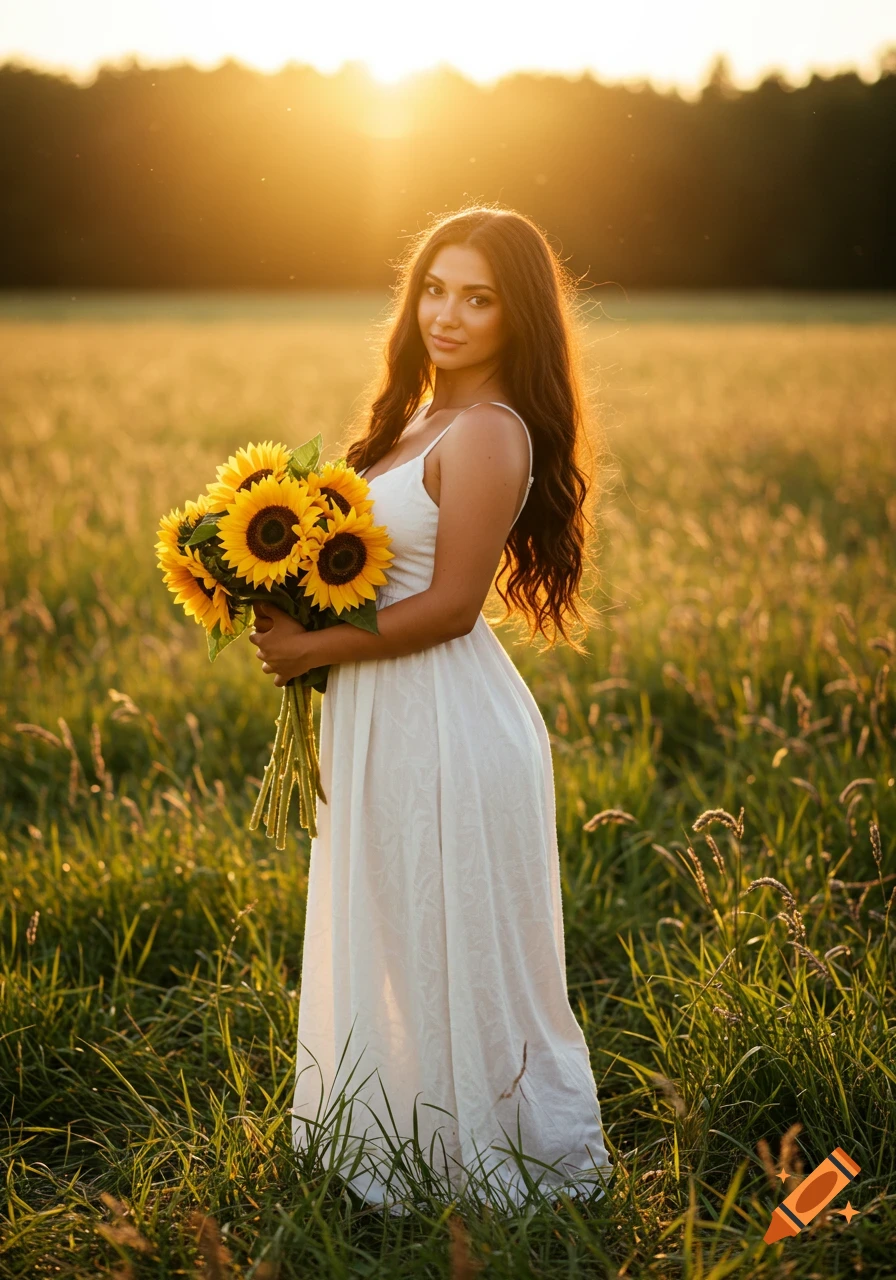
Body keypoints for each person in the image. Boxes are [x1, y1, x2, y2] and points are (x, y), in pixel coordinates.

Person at [249, 205, 613, 1216]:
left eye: (478, 297)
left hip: (447, 722)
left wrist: (308, 647)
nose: (448, 314)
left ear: (515, 317)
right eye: (435, 290)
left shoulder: (491, 432)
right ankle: (401, 1140)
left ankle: (498, 1161)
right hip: (378, 712)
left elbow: (452, 605)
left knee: (451, 930)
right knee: (397, 924)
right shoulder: (410, 424)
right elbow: (367, 571)